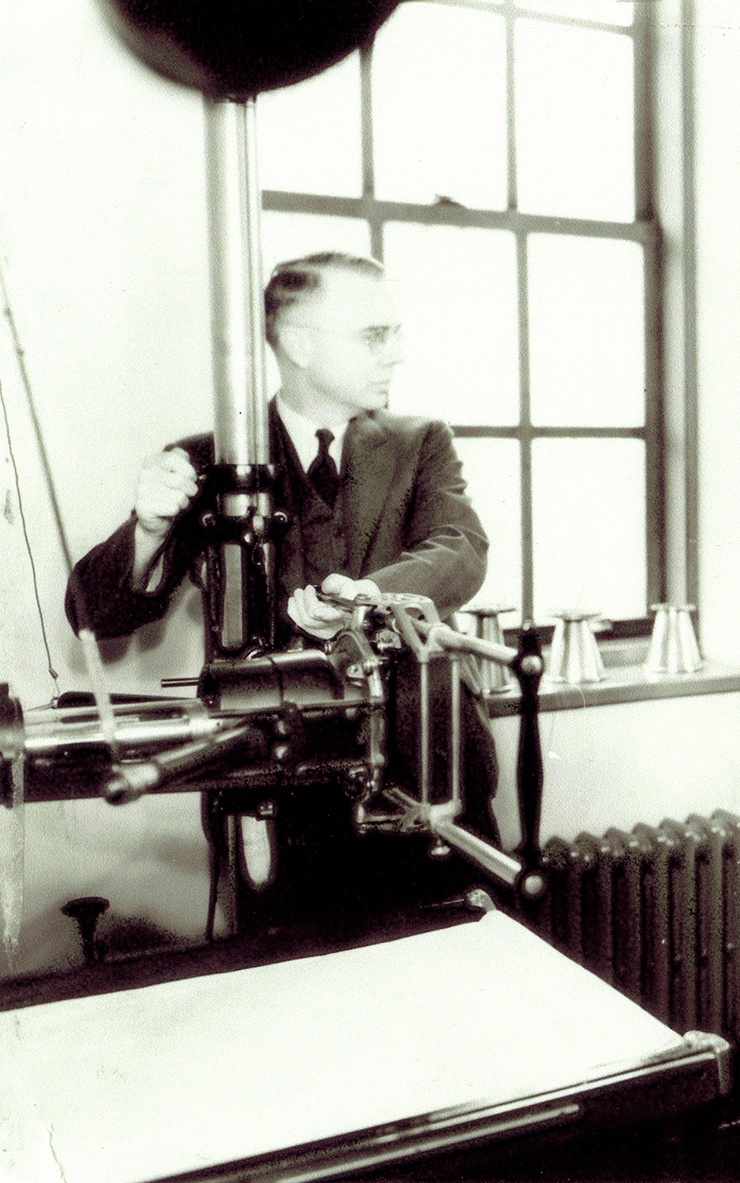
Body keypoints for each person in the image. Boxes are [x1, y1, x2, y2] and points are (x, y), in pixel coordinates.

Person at [66, 250, 502, 927]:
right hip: (280, 804)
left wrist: (361, 596)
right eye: (374, 334)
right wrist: (150, 527)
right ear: (297, 342)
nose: (397, 352)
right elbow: (94, 613)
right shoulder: (213, 461)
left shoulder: (421, 443)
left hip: (429, 778)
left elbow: (461, 549)